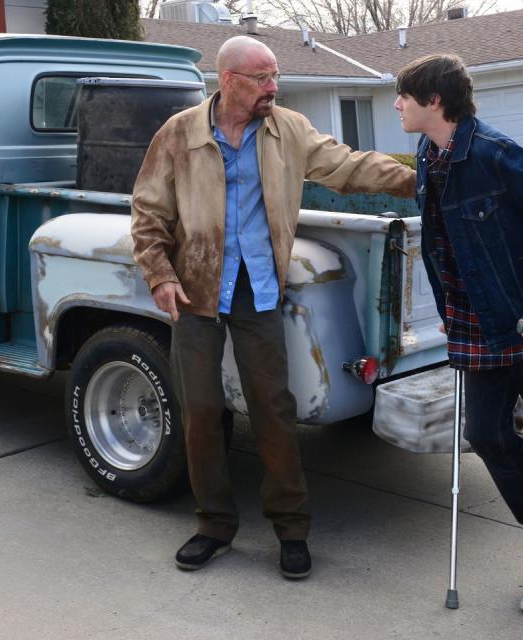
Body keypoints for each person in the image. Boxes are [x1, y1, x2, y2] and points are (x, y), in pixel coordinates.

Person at [131, 36, 415, 580]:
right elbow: (147, 211)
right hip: (195, 290)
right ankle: (213, 524)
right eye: (262, 78)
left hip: (258, 289)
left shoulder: (290, 129)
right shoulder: (180, 134)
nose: (273, 87)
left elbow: (348, 167)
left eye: (275, 76)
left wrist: (420, 178)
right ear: (229, 80)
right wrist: (160, 275)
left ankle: (291, 530)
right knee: (200, 412)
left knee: (274, 411)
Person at [393, 54, 523, 618]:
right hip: (474, 324)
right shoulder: (429, 155)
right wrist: (448, 306)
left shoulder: (496, 153)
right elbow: (444, 244)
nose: (397, 105)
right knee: (485, 433)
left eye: (404, 96)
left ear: (434, 101)